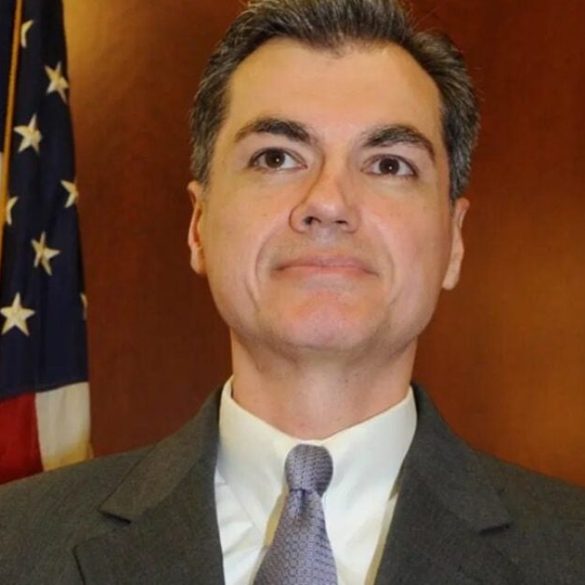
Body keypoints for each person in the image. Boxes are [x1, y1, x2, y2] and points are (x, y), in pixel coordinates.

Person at [1, 0, 584, 583]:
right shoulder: (15, 543)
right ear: (199, 226)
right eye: (276, 158)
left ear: (453, 241)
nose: (327, 203)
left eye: (388, 165)